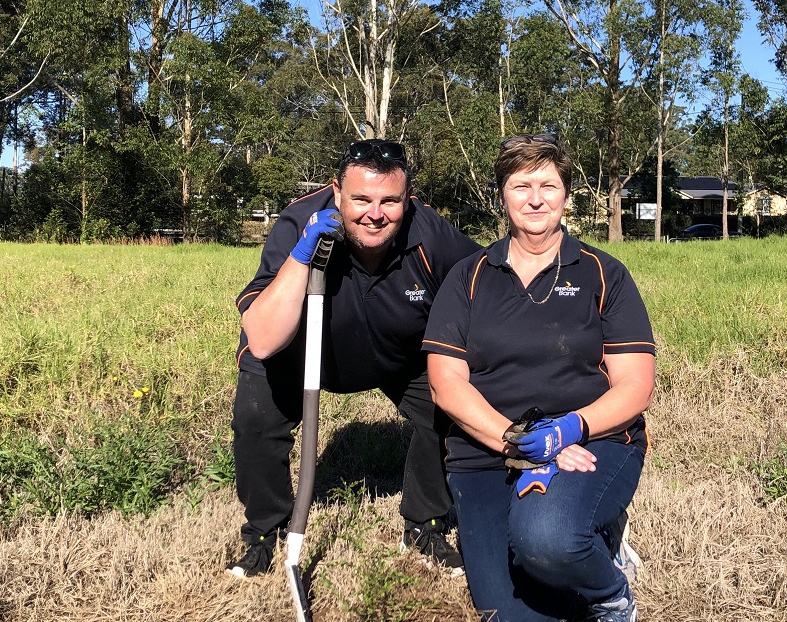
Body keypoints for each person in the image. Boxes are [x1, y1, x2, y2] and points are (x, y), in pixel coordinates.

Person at [422, 133, 656, 621]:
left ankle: (609, 591)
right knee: (505, 611)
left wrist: (567, 430)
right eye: (520, 185)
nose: (535, 198)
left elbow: (635, 385)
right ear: (501, 195)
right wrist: (519, 441)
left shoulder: (604, 274)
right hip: (485, 449)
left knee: (545, 542)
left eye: (548, 185)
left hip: (591, 440)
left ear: (567, 196)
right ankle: (583, 543)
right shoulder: (467, 276)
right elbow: (447, 384)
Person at [227, 139, 481, 579]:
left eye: (390, 200)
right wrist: (302, 254)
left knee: (453, 406)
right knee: (256, 416)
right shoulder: (298, 222)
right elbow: (264, 339)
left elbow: (484, 289)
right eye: (360, 199)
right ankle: (265, 532)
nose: (375, 213)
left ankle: (425, 524)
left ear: (408, 198)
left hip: (399, 355)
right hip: (300, 353)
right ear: (337, 192)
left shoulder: (430, 233)